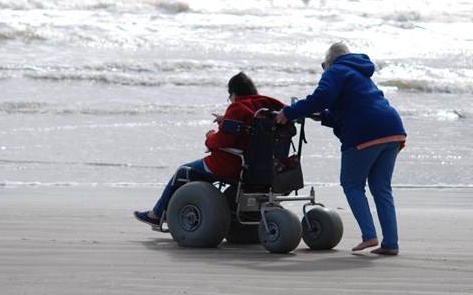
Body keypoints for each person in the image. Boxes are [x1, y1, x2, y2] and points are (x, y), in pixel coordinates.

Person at [276, 42, 406, 256]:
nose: (323, 69)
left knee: (351, 184)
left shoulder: (335, 70)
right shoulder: (360, 73)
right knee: (381, 188)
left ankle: (369, 235)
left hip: (365, 132)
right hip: (392, 129)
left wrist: (291, 111)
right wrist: (319, 116)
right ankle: (391, 243)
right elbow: (351, 107)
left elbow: (322, 97)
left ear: (329, 61)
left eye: (322, 65)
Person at [134, 72, 284, 227]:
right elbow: (248, 128)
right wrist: (224, 121)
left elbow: (223, 140)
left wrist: (209, 137)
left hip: (231, 164)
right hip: (264, 167)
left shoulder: (237, 107)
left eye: (230, 96)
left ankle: (156, 214)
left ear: (233, 93)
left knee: (182, 171)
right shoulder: (267, 106)